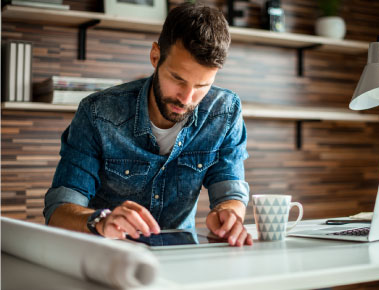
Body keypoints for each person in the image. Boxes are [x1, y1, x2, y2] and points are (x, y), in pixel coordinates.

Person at [43, 3, 252, 247]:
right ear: (155, 56)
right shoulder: (97, 113)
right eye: (177, 79)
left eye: (201, 86)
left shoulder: (224, 112)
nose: (186, 99)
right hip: (107, 255)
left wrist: (229, 215)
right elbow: (58, 211)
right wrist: (99, 220)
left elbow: (231, 192)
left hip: (181, 257)